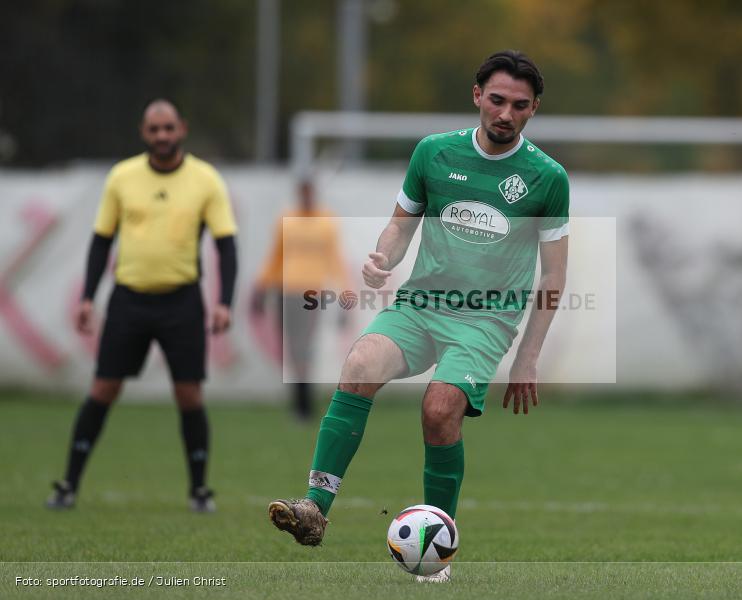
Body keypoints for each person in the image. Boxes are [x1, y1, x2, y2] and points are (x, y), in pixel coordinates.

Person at [268, 50, 568, 582]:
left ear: (533, 110)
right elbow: (400, 226)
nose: (505, 113)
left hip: (486, 320)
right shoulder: (433, 153)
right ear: (478, 96)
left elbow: (553, 276)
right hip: (420, 306)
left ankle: (437, 547)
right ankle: (315, 507)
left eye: (519, 105)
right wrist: (383, 256)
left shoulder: (546, 178)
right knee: (359, 363)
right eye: (496, 100)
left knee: (439, 409)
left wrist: (528, 357)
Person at [45, 99, 238, 513]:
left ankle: (199, 491)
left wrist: (224, 302)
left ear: (181, 129)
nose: (162, 136)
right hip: (128, 300)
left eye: (169, 128)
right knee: (103, 388)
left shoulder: (205, 179)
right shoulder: (122, 177)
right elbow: (102, 240)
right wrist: (87, 297)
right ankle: (68, 484)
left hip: (182, 301)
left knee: (189, 395)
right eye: (155, 129)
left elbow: (226, 245)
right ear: (143, 132)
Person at [252, 179, 351, 420]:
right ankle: (299, 403)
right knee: (292, 350)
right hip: (285, 290)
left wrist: (345, 292)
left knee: (304, 347)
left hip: (311, 293)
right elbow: (275, 256)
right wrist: (262, 286)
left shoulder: (326, 221)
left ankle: (304, 406)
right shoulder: (287, 219)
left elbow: (334, 259)